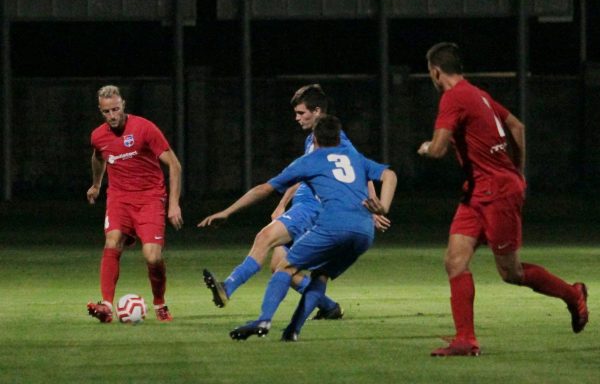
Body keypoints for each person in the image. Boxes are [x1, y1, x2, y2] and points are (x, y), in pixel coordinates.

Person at [417, 42, 588, 356]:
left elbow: (439, 149)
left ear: (436, 71)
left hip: (496, 191)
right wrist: (519, 171)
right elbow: (517, 127)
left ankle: (573, 294)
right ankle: (466, 340)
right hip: (476, 192)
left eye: (431, 72)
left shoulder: (453, 97)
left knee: (512, 272)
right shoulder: (477, 93)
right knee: (455, 261)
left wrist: (427, 147)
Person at [200, 84, 390, 319]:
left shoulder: (338, 140)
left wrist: (371, 205)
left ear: (317, 111)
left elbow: (359, 170)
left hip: (312, 208)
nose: (297, 118)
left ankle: (227, 288)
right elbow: (302, 174)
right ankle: (329, 307)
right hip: (305, 206)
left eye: (301, 113)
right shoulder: (312, 139)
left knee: (265, 238)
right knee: (280, 267)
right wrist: (282, 204)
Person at [86, 85, 183, 323]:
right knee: (112, 240)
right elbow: (98, 157)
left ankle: (159, 302)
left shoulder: (144, 128)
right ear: (101, 111)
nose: (112, 116)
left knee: (152, 257)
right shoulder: (98, 136)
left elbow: (174, 165)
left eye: (116, 109)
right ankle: (107, 305)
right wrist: (97, 185)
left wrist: (173, 205)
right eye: (107, 111)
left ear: (123, 105)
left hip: (150, 198)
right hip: (119, 198)